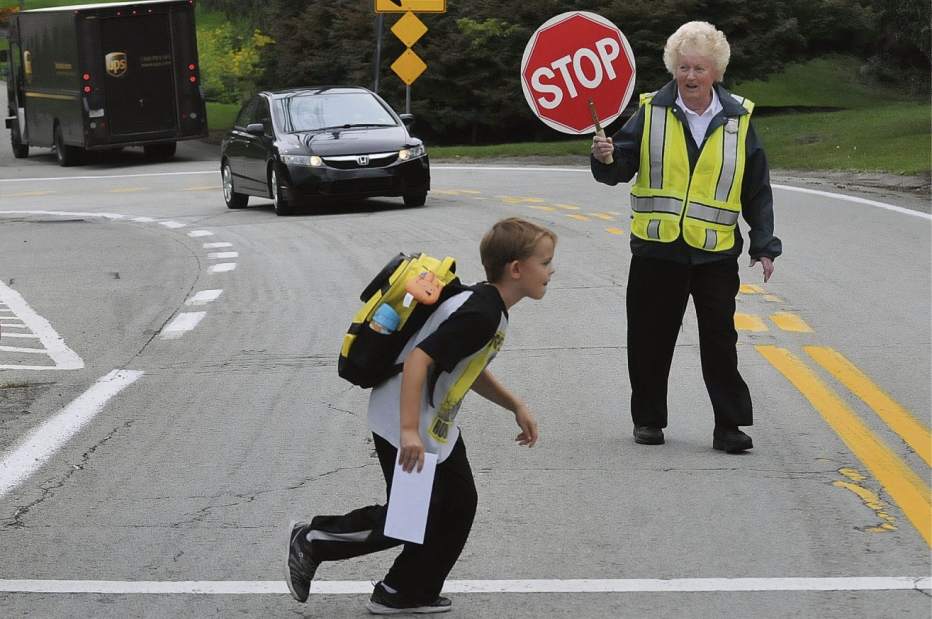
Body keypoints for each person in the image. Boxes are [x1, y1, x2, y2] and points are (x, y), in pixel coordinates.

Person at [285, 217, 557, 613]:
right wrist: (410, 431)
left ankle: (405, 590)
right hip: (404, 421)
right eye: (545, 262)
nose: (551, 271)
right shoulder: (481, 312)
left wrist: (515, 404)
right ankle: (313, 540)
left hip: (432, 422)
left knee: (458, 505)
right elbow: (418, 360)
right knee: (408, 518)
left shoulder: (489, 308)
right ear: (516, 269)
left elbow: (463, 365)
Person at [591, 21, 782, 453]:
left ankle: (729, 426)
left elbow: (756, 187)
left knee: (720, 341)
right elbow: (618, 167)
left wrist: (764, 244)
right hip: (657, 251)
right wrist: (605, 157)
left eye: (699, 68)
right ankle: (649, 420)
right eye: (682, 68)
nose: (690, 76)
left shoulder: (738, 118)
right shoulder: (651, 111)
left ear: (716, 71)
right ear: (672, 68)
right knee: (649, 339)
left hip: (714, 254)